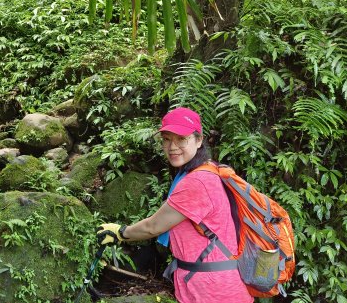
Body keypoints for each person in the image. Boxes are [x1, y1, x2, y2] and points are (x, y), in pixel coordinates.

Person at [96, 107, 253, 303]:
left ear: (199, 140)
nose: (172, 146)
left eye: (181, 139)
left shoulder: (196, 183)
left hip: (213, 292)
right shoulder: (208, 170)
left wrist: (120, 232)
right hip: (211, 283)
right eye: (167, 139)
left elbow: (152, 226)